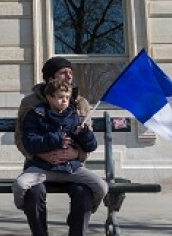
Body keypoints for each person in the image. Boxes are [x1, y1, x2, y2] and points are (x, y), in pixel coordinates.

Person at [13, 56, 107, 236]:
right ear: (50, 77)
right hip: (40, 165)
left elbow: (87, 139)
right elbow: (21, 138)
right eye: (63, 72)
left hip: (72, 166)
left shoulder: (79, 103)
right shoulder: (31, 104)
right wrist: (43, 156)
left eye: (70, 72)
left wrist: (76, 154)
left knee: (84, 193)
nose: (69, 75)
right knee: (32, 194)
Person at [12, 77, 107, 214]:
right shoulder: (36, 115)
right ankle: (23, 207)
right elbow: (29, 142)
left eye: (67, 97)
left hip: (71, 168)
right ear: (49, 97)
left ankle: (91, 209)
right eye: (61, 97)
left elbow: (91, 146)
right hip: (43, 168)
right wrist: (55, 139)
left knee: (102, 187)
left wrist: (84, 134)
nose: (65, 101)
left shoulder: (74, 116)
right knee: (20, 185)